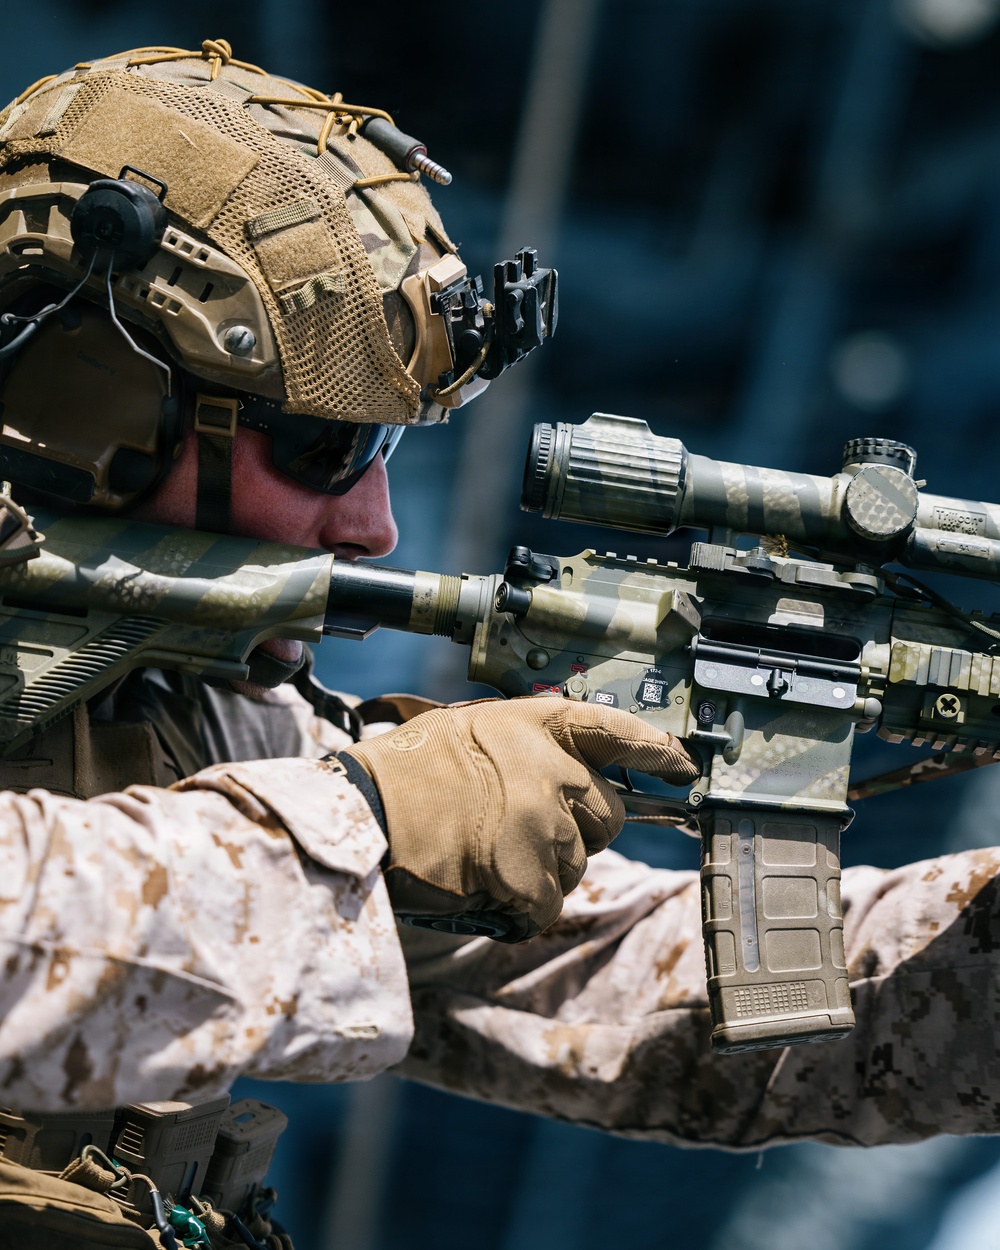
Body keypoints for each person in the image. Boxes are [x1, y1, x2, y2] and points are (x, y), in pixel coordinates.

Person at [0, 36, 999, 1248]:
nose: (373, 525)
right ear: (98, 405)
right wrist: (367, 822)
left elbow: (625, 986)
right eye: (326, 450)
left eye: (386, 450)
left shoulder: (171, 701)